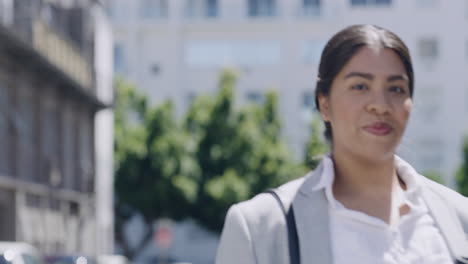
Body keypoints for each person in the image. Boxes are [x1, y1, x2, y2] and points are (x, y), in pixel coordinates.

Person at [215, 24, 468, 264]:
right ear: (324, 104)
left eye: (396, 89)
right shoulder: (261, 227)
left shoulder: (460, 217)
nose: (380, 104)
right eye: (360, 86)